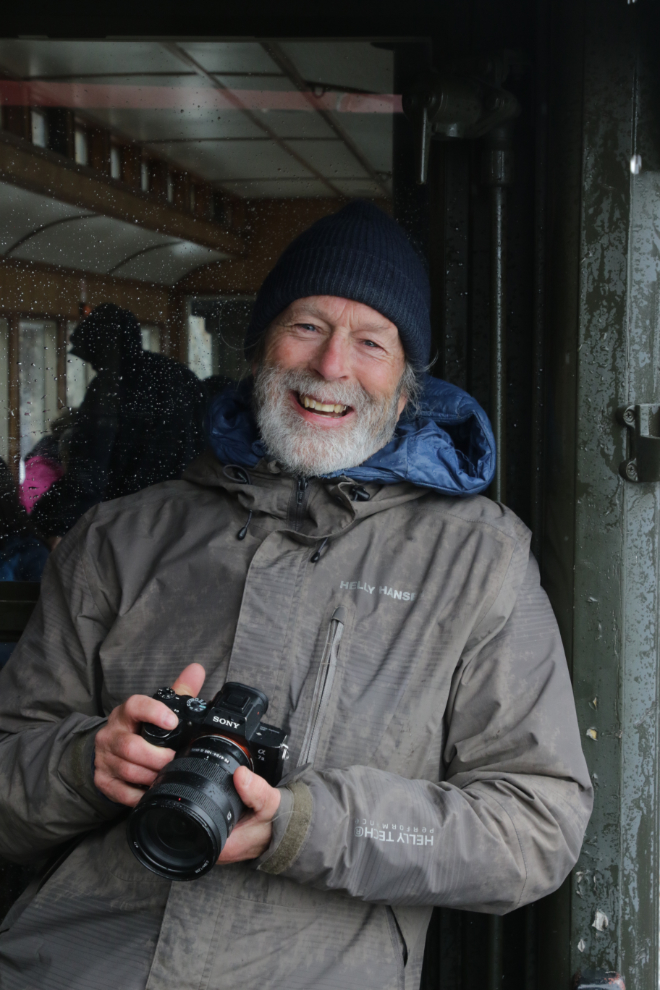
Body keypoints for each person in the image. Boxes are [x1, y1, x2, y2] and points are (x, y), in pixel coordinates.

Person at [0, 202, 592, 990]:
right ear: (260, 346)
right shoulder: (119, 538)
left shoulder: (479, 559)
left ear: (407, 382)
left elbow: (535, 828)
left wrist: (308, 828)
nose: (331, 365)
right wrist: (84, 764)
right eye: (308, 326)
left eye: (371, 342)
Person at [30, 303, 207, 540]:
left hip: (130, 523)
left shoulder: (110, 388)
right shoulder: (179, 375)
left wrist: (46, 521)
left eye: (92, 355)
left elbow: (89, 469)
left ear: (103, 347)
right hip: (189, 516)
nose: (94, 366)